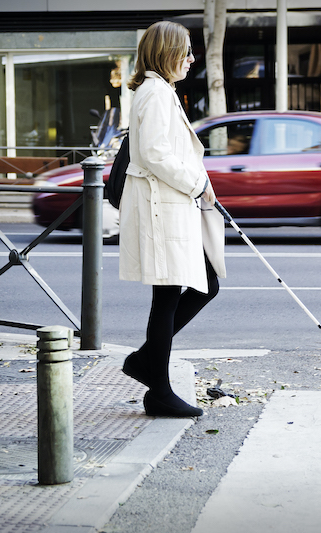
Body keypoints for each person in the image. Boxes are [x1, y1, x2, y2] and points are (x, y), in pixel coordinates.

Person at [118, 21, 226, 417]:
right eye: (186, 52)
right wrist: (199, 183)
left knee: (194, 287)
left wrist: (199, 183)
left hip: (165, 205)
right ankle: (157, 387)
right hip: (161, 206)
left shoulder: (157, 92)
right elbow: (156, 154)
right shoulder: (156, 94)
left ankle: (149, 368)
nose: (192, 59)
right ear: (167, 53)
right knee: (177, 293)